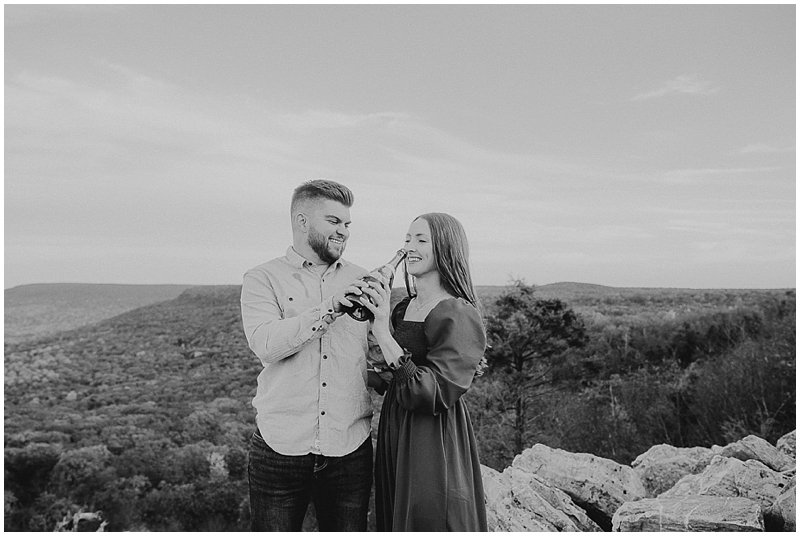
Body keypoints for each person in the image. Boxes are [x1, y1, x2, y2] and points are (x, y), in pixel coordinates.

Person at [240, 179, 382, 531]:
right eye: (334, 221)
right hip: (279, 449)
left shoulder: (363, 279)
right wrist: (330, 307)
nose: (344, 231)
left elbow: (378, 353)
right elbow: (266, 344)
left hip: (350, 449)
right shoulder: (262, 278)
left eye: (347, 224)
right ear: (302, 222)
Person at [359, 212, 488, 531]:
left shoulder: (458, 312)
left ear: (445, 247)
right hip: (396, 427)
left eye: (421, 239)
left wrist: (382, 331)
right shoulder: (405, 306)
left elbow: (432, 391)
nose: (409, 247)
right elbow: (396, 374)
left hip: (431, 436)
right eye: (406, 239)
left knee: (429, 516)